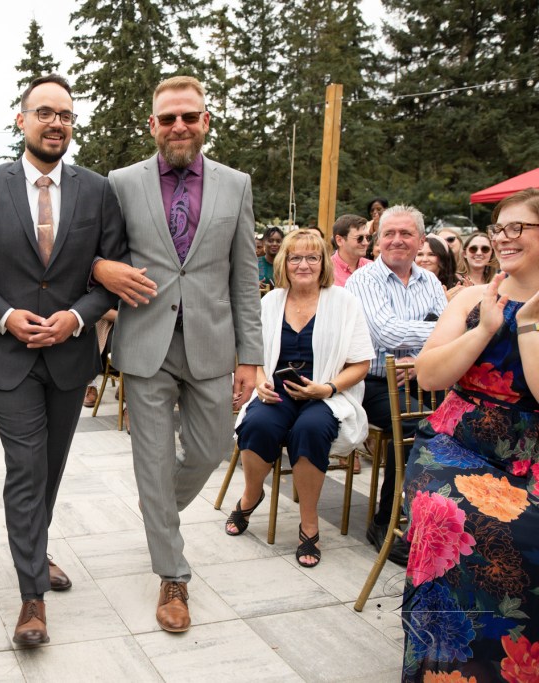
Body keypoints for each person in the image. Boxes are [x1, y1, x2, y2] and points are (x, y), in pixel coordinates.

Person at [0, 74, 128, 645]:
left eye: (65, 115)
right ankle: (31, 598)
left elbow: (112, 270)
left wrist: (77, 318)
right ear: (21, 120)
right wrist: (3, 315)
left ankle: (35, 551)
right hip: (8, 356)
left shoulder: (97, 190)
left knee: (50, 466)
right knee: (26, 467)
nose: (55, 123)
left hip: (70, 356)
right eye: (44, 112)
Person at [93, 75, 261, 632]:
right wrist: (102, 268)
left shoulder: (236, 185)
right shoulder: (122, 183)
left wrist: (250, 356)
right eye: (168, 118)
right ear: (153, 125)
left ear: (206, 121)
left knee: (212, 449)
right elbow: (96, 252)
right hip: (146, 343)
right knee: (152, 461)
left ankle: (158, 508)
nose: (179, 126)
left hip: (213, 344)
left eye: (189, 116)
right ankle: (173, 576)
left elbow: (244, 277)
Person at [400, 188, 539, 680]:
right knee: (449, 515)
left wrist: (528, 326)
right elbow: (429, 375)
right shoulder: (470, 299)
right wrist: (484, 330)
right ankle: (449, 668)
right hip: (455, 443)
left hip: (530, 451)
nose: (503, 238)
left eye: (518, 227)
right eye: (499, 227)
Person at [228, 230, 372, 567]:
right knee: (257, 424)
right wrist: (260, 384)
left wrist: (328, 388)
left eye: (312, 257)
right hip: (277, 390)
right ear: (284, 262)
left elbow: (361, 363)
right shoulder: (270, 302)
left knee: (310, 430)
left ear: (323, 263)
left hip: (326, 393)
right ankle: (251, 495)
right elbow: (253, 356)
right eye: (295, 258)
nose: (303, 264)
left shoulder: (344, 302)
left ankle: (309, 522)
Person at [346, 205, 447, 565]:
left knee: (459, 424)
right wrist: (437, 331)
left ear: (421, 240)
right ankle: (386, 522)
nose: (397, 240)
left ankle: (442, 519)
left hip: (422, 377)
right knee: (420, 426)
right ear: (377, 240)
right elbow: (386, 333)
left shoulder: (430, 281)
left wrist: (418, 359)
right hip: (371, 382)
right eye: (389, 233)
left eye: (406, 233)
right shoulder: (364, 280)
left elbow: (451, 335)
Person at [416, 234, 462, 300]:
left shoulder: (457, 287)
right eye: (420, 254)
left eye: (431, 254)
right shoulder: (406, 285)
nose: (424, 259)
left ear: (443, 258)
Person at [331, 214, 372, 286]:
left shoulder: (372, 268)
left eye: (368, 237)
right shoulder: (324, 269)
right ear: (339, 240)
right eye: (359, 238)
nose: (365, 243)